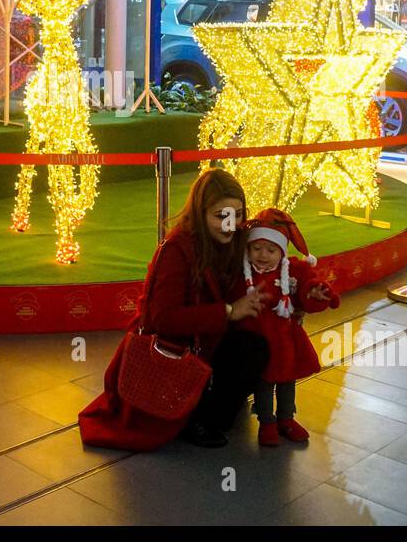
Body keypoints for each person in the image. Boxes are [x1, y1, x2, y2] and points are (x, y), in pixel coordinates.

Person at [80, 169, 270, 450]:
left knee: (256, 345)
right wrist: (228, 311)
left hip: (205, 343)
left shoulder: (237, 241)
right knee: (245, 355)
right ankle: (194, 415)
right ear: (200, 213)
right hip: (172, 352)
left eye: (237, 214)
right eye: (221, 216)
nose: (231, 224)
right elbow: (163, 318)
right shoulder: (177, 249)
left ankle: (204, 407)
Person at [234, 209, 338, 446]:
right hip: (257, 342)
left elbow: (307, 286)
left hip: (285, 342)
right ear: (247, 249)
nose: (263, 255)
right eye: (257, 248)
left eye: (271, 250)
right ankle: (266, 421)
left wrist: (314, 293)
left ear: (281, 251)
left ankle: (286, 418)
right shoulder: (242, 275)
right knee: (264, 382)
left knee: (287, 381)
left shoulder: (292, 271)